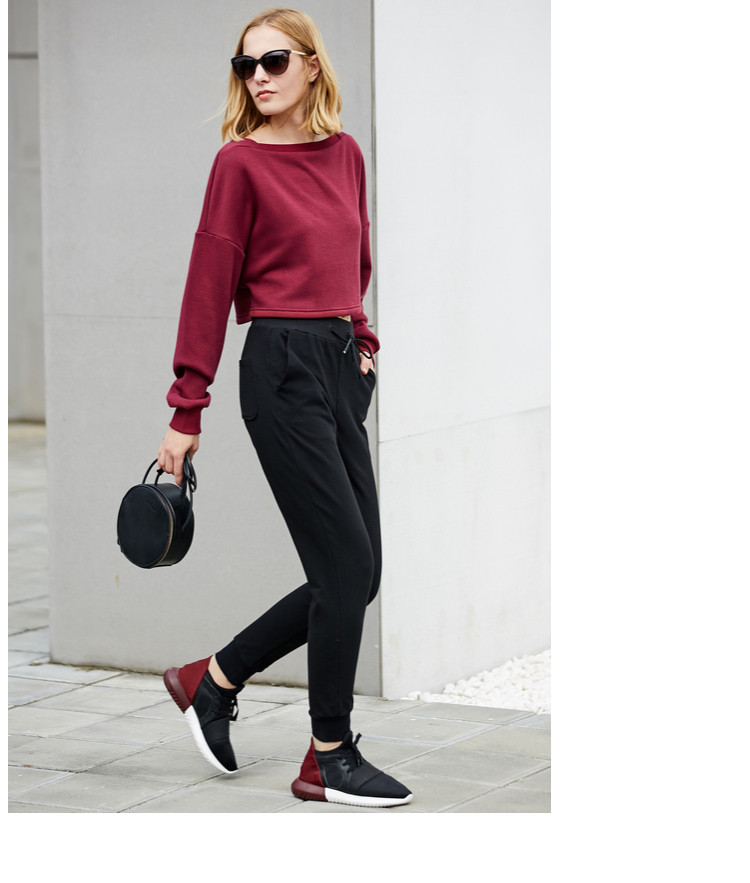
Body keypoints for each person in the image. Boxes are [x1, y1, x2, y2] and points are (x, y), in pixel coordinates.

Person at [156, 8, 412, 808]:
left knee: (359, 571)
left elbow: (354, 260)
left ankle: (214, 678)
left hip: (337, 362)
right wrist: (186, 408)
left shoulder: (346, 155)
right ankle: (328, 754)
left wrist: (362, 341)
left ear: (311, 65)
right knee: (344, 566)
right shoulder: (238, 165)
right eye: (245, 66)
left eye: (273, 61)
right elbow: (208, 285)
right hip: (280, 368)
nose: (258, 77)